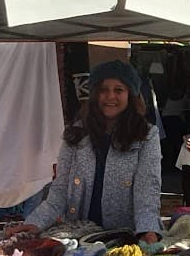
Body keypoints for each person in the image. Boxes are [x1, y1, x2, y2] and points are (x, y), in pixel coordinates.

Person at [13, 60, 162, 242]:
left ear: (130, 94)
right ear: (94, 94)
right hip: (79, 236)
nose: (110, 97)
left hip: (122, 236)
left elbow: (147, 190)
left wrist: (148, 229)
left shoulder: (146, 135)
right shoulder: (76, 133)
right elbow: (59, 192)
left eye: (118, 90)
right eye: (103, 90)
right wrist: (35, 222)